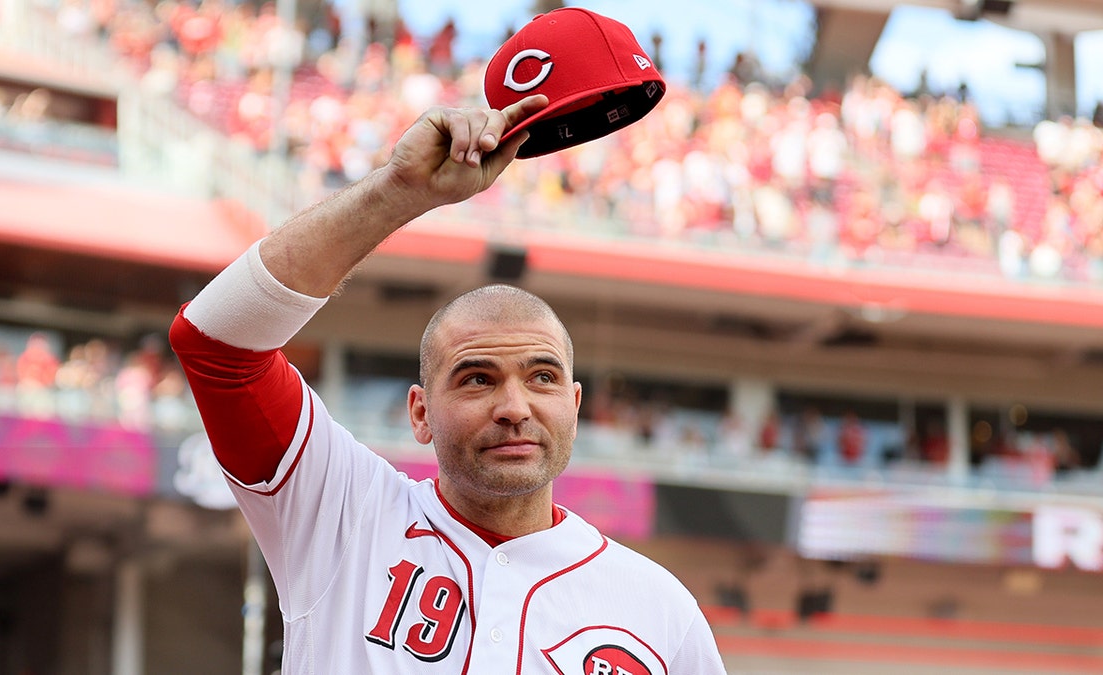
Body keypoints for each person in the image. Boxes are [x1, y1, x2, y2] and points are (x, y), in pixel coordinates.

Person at [170, 95, 727, 673]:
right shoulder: (344, 514)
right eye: (476, 379)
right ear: (420, 412)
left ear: (576, 405)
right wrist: (400, 190)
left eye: (542, 377)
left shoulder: (661, 613)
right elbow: (217, 343)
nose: (515, 407)